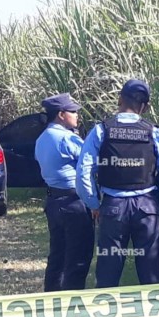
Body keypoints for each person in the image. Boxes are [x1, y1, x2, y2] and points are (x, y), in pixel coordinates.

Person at [76, 79, 159, 317]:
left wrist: (93, 204)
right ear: (144, 107)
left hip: (113, 208)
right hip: (147, 208)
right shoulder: (153, 132)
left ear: (120, 100)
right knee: (152, 271)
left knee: (108, 271)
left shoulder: (101, 131)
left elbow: (84, 170)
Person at [34, 93, 95, 293]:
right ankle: (73, 311)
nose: (77, 115)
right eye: (73, 111)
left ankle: (51, 302)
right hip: (73, 202)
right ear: (61, 114)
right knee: (78, 258)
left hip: (53, 201)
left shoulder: (42, 138)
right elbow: (91, 164)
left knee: (57, 255)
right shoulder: (67, 139)